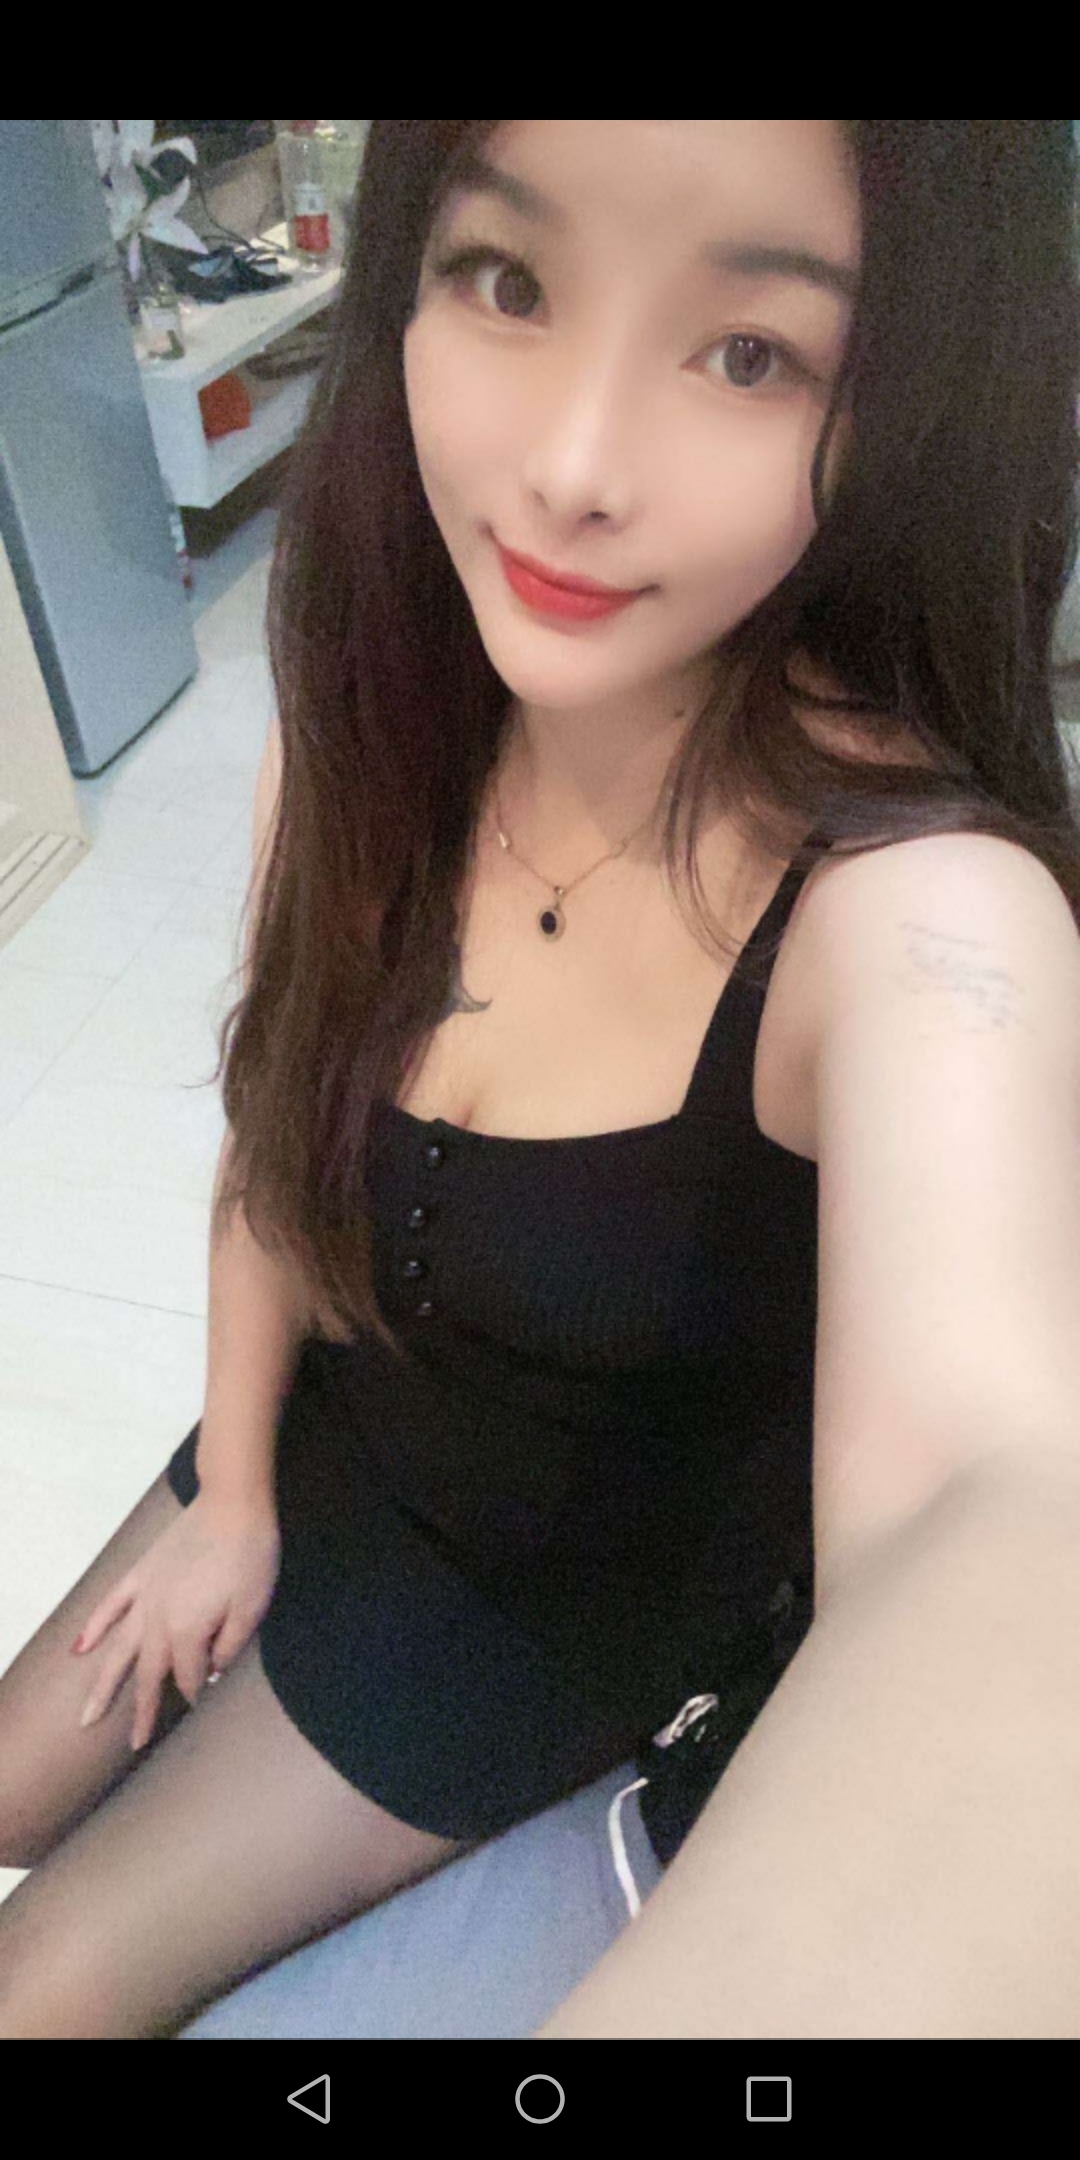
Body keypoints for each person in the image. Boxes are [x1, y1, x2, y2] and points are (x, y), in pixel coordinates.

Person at [2, 120, 1079, 2042]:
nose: (574, 466)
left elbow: (993, 1509)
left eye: (750, 353)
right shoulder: (369, 737)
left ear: (910, 410)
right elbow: (277, 1138)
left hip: (528, 1611)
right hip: (329, 1433)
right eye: (510, 282)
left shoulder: (916, 917)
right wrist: (232, 1494)